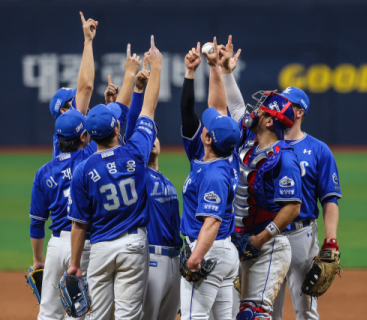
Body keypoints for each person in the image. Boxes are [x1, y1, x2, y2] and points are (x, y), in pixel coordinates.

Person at [67, 36, 162, 320]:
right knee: (128, 315)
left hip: (101, 248)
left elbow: (80, 224)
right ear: (117, 127)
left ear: (88, 135)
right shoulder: (135, 153)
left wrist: (74, 263)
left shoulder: (83, 168)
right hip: (133, 244)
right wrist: (155, 67)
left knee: (96, 316)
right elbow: (149, 109)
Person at [214, 36, 303, 320]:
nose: (254, 110)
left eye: (262, 109)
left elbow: (292, 208)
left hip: (269, 246)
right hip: (241, 243)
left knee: (253, 315)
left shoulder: (284, 157)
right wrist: (226, 72)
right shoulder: (251, 140)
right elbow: (237, 108)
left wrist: (260, 240)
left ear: (268, 121)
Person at [179, 39, 241, 320]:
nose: (205, 123)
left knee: (195, 317)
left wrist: (194, 260)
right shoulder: (224, 156)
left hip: (208, 249)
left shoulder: (214, 174)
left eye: (207, 126)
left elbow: (212, 222)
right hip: (223, 252)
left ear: (207, 138)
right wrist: (214, 67)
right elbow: (218, 107)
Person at [271, 87, 342, 320]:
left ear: (299, 112)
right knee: (266, 311)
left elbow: (329, 199)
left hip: (302, 237)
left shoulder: (320, 150)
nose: (280, 107)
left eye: (286, 104)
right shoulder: (266, 145)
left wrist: (331, 242)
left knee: (306, 311)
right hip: (270, 235)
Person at [125, 59, 183, 320]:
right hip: (151, 259)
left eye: (155, 135)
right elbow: (133, 130)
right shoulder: (137, 175)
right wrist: (138, 92)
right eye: (150, 136)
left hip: (174, 262)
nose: (152, 139)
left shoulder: (167, 181)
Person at [29, 109, 95, 320]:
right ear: (83, 136)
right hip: (83, 245)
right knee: (78, 313)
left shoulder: (43, 172)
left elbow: (37, 223)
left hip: (55, 248)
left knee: (48, 313)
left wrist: (39, 260)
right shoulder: (89, 160)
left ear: (57, 139)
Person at [48, 12, 98, 159]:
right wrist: (88, 41)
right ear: (64, 110)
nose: (79, 97)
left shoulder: (65, 138)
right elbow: (87, 86)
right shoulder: (73, 133)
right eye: (74, 98)